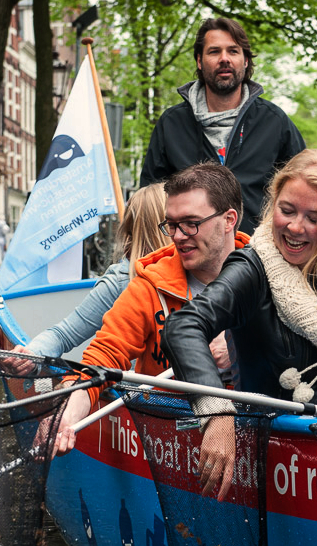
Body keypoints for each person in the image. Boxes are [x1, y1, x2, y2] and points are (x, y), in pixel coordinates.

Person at [161, 149, 317, 499]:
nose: (295, 227)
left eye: (313, 218)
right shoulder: (251, 269)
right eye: (286, 211)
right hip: (270, 454)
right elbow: (184, 326)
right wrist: (217, 413)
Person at [138, 16, 317, 284]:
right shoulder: (171, 124)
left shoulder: (274, 122)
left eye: (233, 51)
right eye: (214, 51)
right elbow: (149, 202)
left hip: (262, 270)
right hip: (188, 272)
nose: (224, 58)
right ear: (200, 62)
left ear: (245, 61)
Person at [43, 163, 250, 458]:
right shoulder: (149, 287)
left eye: (190, 223)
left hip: (260, 436)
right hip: (167, 443)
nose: (178, 236)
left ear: (229, 220)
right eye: (172, 225)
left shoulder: (269, 277)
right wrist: (68, 410)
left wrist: (240, 347)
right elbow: (102, 358)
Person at [9, 184, 168, 361]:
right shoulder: (120, 282)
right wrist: (32, 354)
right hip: (136, 387)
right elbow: (64, 334)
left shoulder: (197, 275)